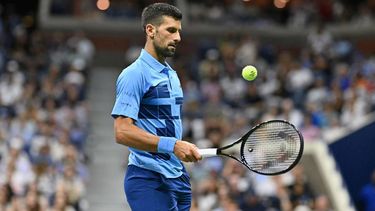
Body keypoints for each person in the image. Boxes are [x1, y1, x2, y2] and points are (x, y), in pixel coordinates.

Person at [111, 3, 202, 211]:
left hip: (177, 176)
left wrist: (180, 148)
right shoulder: (134, 74)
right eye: (171, 30)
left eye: (179, 31)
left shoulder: (172, 74)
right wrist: (174, 145)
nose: (178, 37)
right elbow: (122, 132)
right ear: (150, 30)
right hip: (148, 178)